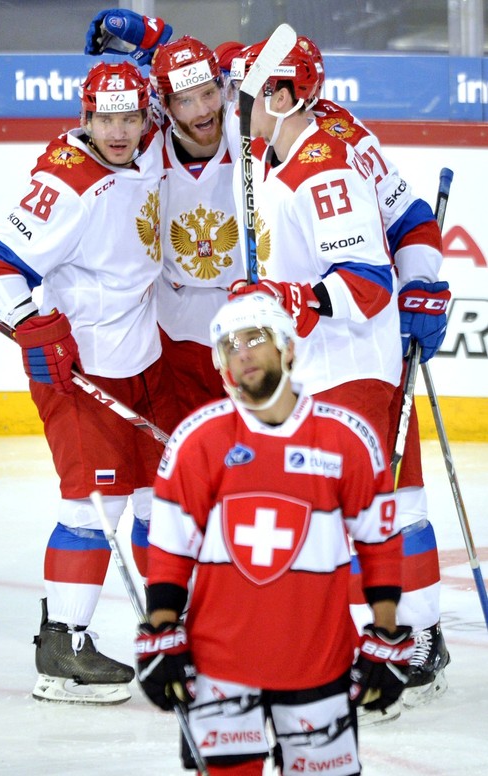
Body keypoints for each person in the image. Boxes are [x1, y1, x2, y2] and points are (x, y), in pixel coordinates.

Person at [229, 37, 451, 722]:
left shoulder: (319, 167)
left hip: (348, 362)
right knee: (390, 500)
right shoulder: (291, 144)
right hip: (339, 361)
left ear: (282, 95)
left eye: (245, 91)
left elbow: (364, 278)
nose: (232, 105)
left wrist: (298, 300)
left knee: (353, 507)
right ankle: (413, 635)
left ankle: (383, 641)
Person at [0, 60, 181, 704]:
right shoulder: (67, 183)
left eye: (130, 117)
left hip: (141, 360)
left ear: (148, 118)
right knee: (91, 509)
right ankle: (64, 647)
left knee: (155, 503)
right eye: (105, 118)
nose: (118, 131)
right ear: (85, 119)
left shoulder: (147, 152)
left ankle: (170, 623)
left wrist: (149, 39)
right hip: (81, 374)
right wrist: (35, 322)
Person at [134, 293, 414, 775]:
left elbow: (379, 543)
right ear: (220, 366)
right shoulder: (197, 440)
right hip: (219, 664)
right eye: (228, 346)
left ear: (288, 348)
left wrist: (386, 631)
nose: (242, 352)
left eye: (255, 339)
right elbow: (170, 550)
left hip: (319, 661)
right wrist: (161, 627)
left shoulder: (346, 438)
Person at [86, 11, 245, 417]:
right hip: (174, 326)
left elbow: (236, 59)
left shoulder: (250, 132)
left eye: (208, 93)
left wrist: (152, 36)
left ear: (223, 87)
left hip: (249, 320)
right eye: (185, 100)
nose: (201, 110)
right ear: (165, 106)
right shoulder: (148, 143)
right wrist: (152, 41)